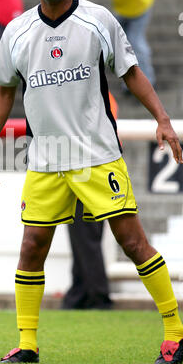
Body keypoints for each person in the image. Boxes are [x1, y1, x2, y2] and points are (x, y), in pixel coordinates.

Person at [0, 0, 183, 364]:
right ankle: (28, 344)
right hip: (45, 159)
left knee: (132, 242)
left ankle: (176, 332)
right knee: (32, 246)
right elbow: (3, 88)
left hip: (97, 155)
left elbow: (130, 73)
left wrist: (162, 120)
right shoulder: (17, 31)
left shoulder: (98, 20)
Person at [62, 93, 118, 311]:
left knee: (86, 240)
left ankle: (98, 295)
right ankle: (79, 293)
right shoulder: (102, 95)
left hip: (85, 174)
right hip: (97, 171)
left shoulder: (86, 94)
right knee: (84, 239)